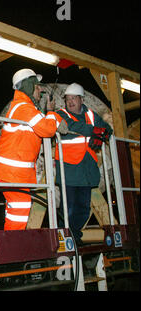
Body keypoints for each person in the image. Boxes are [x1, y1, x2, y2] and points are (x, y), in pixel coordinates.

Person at [0, 68, 67, 230]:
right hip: (14, 173)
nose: (40, 90)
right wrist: (53, 113)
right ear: (28, 86)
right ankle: (14, 248)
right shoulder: (23, 108)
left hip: (15, 172)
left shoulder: (23, 107)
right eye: (37, 86)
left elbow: (41, 124)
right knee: (19, 212)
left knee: (15, 211)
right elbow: (47, 129)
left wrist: (47, 113)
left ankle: (12, 245)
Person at [54, 83, 112, 245]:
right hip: (69, 170)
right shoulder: (61, 114)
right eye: (68, 99)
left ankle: (73, 237)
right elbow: (72, 126)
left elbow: (107, 129)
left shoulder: (91, 115)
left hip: (87, 171)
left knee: (83, 210)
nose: (70, 102)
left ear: (81, 99)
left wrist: (100, 134)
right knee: (69, 208)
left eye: (74, 98)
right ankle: (65, 239)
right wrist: (95, 131)